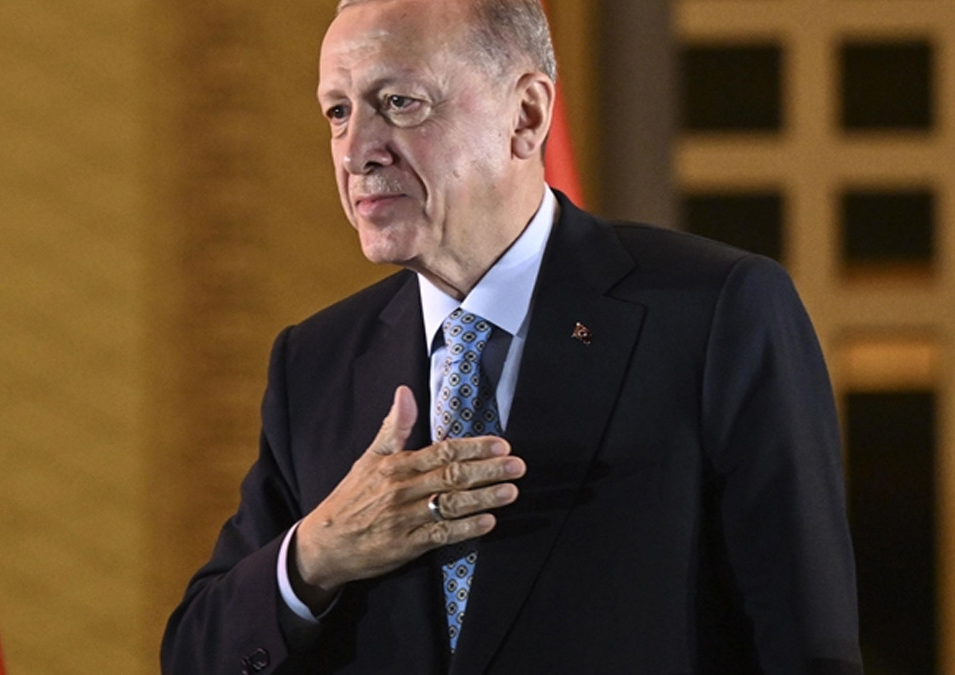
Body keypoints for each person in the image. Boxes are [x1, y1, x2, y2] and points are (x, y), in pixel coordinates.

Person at [161, 0, 863, 672]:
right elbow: (196, 653)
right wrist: (317, 553)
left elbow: (806, 644)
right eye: (338, 112)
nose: (356, 152)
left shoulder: (713, 312)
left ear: (526, 115)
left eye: (399, 102)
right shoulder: (315, 362)